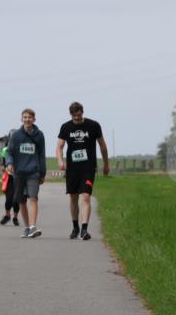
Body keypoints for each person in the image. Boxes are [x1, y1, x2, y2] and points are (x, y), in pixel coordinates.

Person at [56, 101, 109, 240]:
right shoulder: (66, 127)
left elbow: (102, 145)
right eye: (74, 116)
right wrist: (60, 161)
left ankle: (84, 230)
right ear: (71, 115)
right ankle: (75, 227)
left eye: (79, 115)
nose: (77, 118)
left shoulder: (93, 125)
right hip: (72, 167)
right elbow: (60, 146)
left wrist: (106, 164)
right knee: (73, 197)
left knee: (85, 196)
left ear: (82, 112)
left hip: (88, 166)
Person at [6, 109, 46, 239]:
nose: (27, 119)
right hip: (19, 173)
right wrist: (9, 163)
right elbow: (9, 152)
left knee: (33, 198)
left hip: (33, 172)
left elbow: (41, 155)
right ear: (21, 119)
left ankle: (33, 227)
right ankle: (27, 227)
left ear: (34, 119)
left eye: (30, 117)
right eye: (25, 117)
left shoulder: (39, 135)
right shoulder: (16, 135)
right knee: (21, 201)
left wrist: (42, 173)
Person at [0, 134, 20, 226]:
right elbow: (3, 161)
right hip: (9, 177)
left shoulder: (20, 148)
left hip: (19, 177)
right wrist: (2, 166)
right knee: (9, 198)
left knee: (16, 199)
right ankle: (7, 215)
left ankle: (15, 217)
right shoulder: (5, 150)